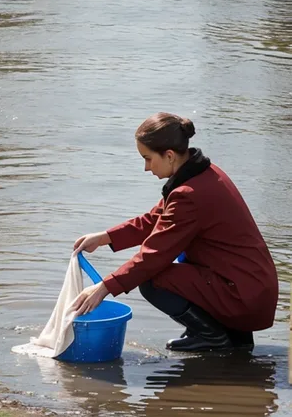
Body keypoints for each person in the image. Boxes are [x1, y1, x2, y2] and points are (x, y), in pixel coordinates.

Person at [72, 112, 278, 351]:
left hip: (240, 296)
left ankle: (212, 337)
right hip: (251, 289)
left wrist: (105, 287)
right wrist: (105, 237)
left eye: (148, 159)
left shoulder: (189, 194)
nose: (146, 168)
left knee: (152, 278)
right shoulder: (203, 175)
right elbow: (155, 219)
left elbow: (154, 255)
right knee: (172, 269)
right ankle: (229, 338)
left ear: (169, 156)